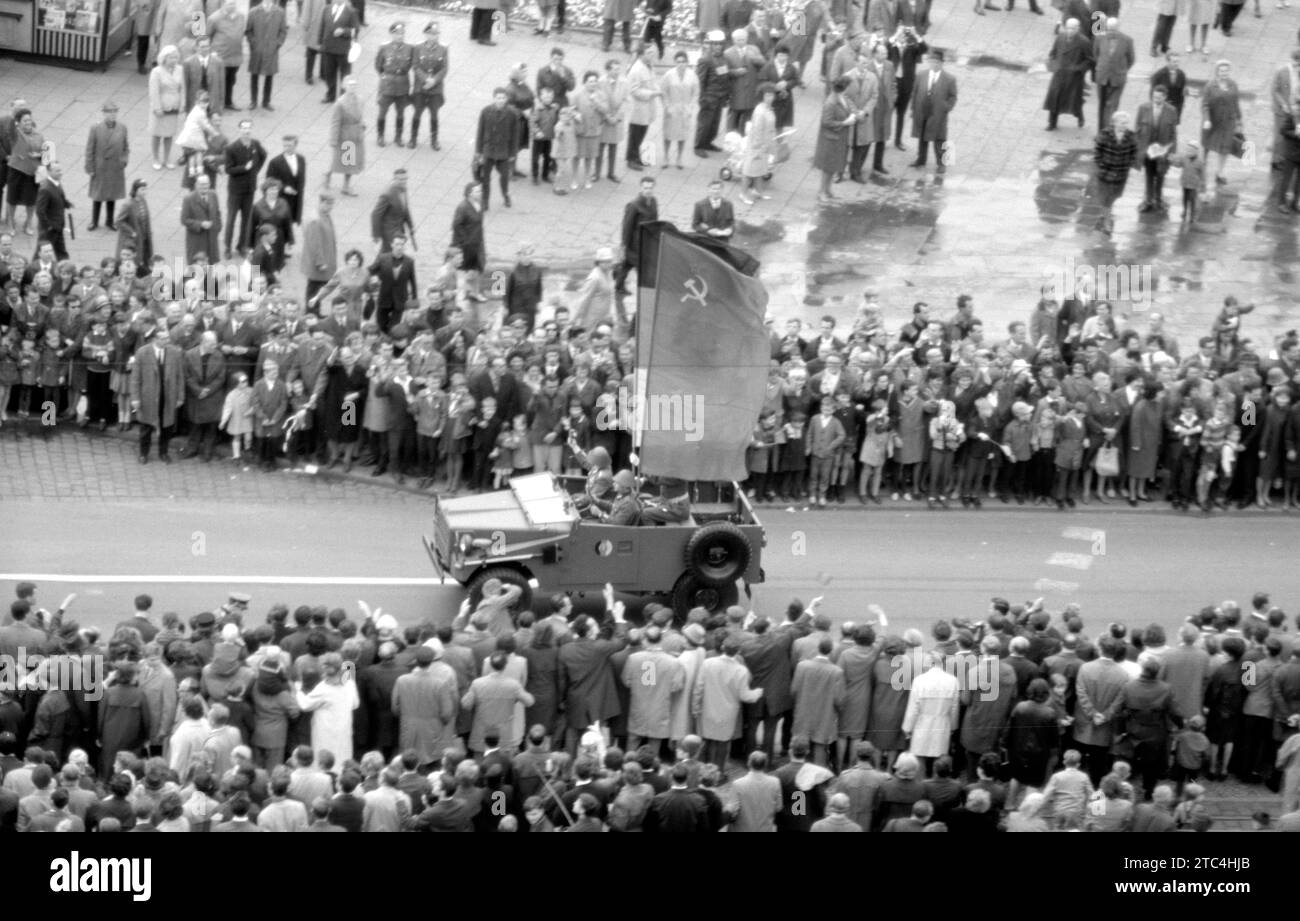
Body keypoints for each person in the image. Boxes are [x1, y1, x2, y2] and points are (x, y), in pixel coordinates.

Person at [130, 325, 185, 464]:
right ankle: (143, 453)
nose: (167, 340)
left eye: (168, 337)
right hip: (148, 396)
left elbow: (180, 376)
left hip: (168, 397)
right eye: (163, 338)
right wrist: (135, 398)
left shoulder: (175, 352)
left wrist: (180, 396)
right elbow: (135, 378)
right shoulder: (142, 353)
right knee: (146, 427)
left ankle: (163, 452)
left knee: (167, 426)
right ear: (155, 339)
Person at [223, 119, 267, 259]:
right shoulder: (232, 148)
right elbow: (228, 169)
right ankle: (227, 247)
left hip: (250, 189)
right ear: (239, 130)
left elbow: (263, 155)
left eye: (249, 128)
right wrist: (244, 168)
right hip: (236, 190)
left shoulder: (255, 144)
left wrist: (255, 170)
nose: (246, 131)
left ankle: (242, 245)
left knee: (246, 219)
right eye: (244, 128)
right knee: (231, 219)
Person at [910, 50, 956, 174]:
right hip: (922, 111)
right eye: (931, 62)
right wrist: (913, 109)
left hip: (938, 114)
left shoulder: (949, 79)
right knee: (922, 137)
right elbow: (915, 93)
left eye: (936, 62)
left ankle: (942, 163)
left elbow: (953, 97)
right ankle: (921, 159)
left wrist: (946, 107)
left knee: (940, 138)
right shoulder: (921, 75)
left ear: (941, 63)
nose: (934, 64)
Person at [84, 103, 128, 233]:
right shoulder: (96, 128)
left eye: (115, 111)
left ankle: (110, 221)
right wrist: (90, 167)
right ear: (104, 113)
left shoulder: (122, 128)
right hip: (100, 167)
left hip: (115, 168)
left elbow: (126, 146)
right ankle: (94, 221)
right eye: (109, 112)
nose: (112, 114)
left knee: (112, 196)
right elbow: (89, 149)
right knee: (97, 196)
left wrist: (124, 161)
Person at [1135, 84, 1178, 213]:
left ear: (1165, 97)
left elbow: (1173, 132)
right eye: (1154, 97)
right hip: (1147, 148)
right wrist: (1138, 147)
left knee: (1160, 173)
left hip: (1163, 149)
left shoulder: (1171, 110)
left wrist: (1171, 151)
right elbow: (1137, 128)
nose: (1156, 99)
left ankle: (1158, 199)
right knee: (1149, 173)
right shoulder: (1143, 108)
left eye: (1159, 97)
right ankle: (1148, 200)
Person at [476, 88, 521, 211]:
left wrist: (513, 153)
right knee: (485, 178)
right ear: (494, 98)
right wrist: (478, 152)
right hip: (488, 150)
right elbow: (480, 132)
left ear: (506, 99)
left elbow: (515, 135)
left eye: (503, 98)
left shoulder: (512, 114)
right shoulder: (485, 112)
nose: (500, 100)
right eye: (498, 98)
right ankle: (485, 200)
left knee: (505, 176)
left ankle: (505, 195)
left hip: (503, 151)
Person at [1044, 19, 1093, 131]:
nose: (1070, 31)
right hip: (1059, 73)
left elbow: (1090, 60)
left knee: (1074, 100)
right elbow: (1053, 52)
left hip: (1074, 77)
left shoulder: (1084, 42)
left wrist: (1079, 69)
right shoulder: (1060, 37)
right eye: (1068, 28)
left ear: (1078, 28)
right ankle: (1052, 122)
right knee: (1054, 97)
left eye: (1073, 28)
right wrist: (1053, 64)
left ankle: (1080, 116)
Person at [614, 176, 657, 297]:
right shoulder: (634, 205)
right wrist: (624, 244)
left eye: (650, 188)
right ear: (641, 188)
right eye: (645, 188)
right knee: (642, 269)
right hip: (635, 244)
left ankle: (619, 286)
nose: (648, 190)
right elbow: (627, 226)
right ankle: (645, 291)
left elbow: (655, 220)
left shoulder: (653, 201)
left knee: (627, 265)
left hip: (647, 241)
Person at [814, 77, 856, 202]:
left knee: (833, 166)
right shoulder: (831, 102)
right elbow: (826, 122)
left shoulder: (841, 98)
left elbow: (850, 107)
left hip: (838, 139)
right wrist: (845, 123)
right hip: (830, 139)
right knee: (827, 167)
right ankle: (822, 191)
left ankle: (828, 189)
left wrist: (853, 114)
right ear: (844, 88)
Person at [1200, 60, 1242, 187]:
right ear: (1217, 72)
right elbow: (1205, 105)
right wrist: (1207, 119)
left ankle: (1220, 172)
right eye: (1221, 70)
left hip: (1228, 122)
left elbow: (1236, 103)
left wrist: (1239, 120)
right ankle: (1201, 169)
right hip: (1212, 121)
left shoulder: (1233, 85)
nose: (1224, 73)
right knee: (1206, 146)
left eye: (1226, 70)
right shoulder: (1209, 86)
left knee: (1225, 148)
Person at [410, 21, 450, 151]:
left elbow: (444, 68)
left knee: (434, 115)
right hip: (420, 87)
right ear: (425, 34)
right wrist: (426, 79)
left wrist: (434, 80)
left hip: (435, 88)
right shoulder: (418, 47)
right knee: (417, 113)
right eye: (430, 34)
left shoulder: (443, 48)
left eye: (435, 34)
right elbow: (415, 66)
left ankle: (434, 140)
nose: (433, 36)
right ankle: (413, 138)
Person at [326, 77, 365, 198]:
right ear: (344, 87)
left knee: (351, 163)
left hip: (356, 135)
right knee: (344, 162)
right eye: (350, 85)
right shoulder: (340, 103)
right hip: (345, 136)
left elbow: (360, 115)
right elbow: (335, 122)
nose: (352, 88)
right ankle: (331, 178)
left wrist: (362, 124)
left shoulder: (360, 99)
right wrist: (333, 139)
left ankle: (344, 184)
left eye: (354, 85)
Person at [148, 47, 185, 171]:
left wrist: (182, 104)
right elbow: (154, 91)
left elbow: (182, 88)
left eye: (176, 57)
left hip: (174, 106)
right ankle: (155, 158)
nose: (174, 60)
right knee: (157, 134)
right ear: (164, 58)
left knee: (169, 134)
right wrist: (157, 107)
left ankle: (167, 158)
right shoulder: (156, 72)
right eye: (171, 57)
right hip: (161, 106)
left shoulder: (180, 70)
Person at [694, 31, 731, 157]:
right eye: (715, 44)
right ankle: (698, 146)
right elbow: (700, 80)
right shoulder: (705, 59)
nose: (718, 46)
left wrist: (726, 95)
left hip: (720, 97)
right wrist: (702, 98)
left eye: (720, 44)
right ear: (710, 45)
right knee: (704, 123)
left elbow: (725, 75)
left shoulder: (724, 58)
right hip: (709, 97)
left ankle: (708, 142)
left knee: (715, 123)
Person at [451, 183, 487, 303]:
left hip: (477, 242)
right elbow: (456, 225)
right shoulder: (463, 207)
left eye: (480, 191)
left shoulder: (480, 204)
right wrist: (464, 240)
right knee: (462, 270)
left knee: (477, 268)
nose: (480, 193)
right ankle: (461, 294)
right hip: (465, 244)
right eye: (478, 191)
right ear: (470, 193)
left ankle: (474, 292)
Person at [319, 0, 360, 104]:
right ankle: (330, 94)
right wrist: (320, 43)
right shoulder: (327, 9)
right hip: (328, 48)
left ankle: (343, 98)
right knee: (329, 74)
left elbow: (355, 30)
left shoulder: (351, 11)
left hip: (343, 49)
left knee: (345, 75)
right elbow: (322, 26)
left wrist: (344, 31)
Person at [34, 163, 72, 262]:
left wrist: (66, 203)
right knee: (41, 253)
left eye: (60, 170)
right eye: (57, 171)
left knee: (61, 251)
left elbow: (60, 196)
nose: (61, 173)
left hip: (58, 225)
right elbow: (40, 210)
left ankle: (66, 268)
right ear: (49, 172)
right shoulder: (45, 189)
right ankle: (33, 270)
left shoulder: (56, 183)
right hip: (49, 229)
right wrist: (48, 226)